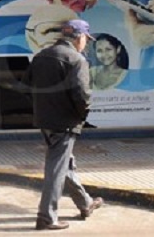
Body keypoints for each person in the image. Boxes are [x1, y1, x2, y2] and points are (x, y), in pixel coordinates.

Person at [24, 19, 103, 230]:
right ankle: (46, 217)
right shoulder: (76, 59)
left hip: (45, 120)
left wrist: (43, 107)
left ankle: (85, 203)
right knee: (56, 168)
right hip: (65, 122)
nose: (86, 43)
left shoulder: (41, 56)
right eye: (86, 39)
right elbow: (82, 94)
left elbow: (27, 86)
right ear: (79, 37)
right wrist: (82, 116)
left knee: (64, 163)